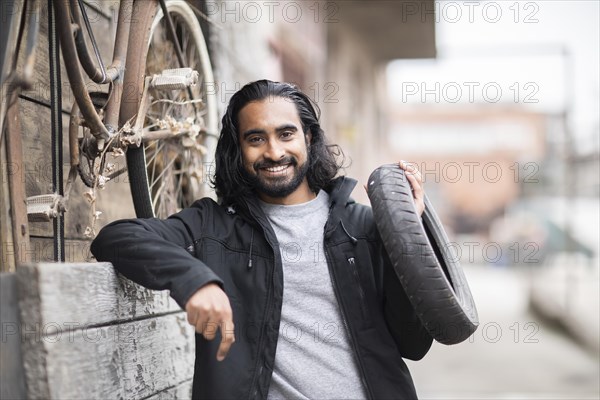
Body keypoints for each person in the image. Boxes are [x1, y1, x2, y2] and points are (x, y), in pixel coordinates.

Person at [91, 80, 433, 399]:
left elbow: (414, 344)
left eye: (286, 134)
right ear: (238, 149)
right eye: (256, 139)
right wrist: (196, 281)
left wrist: (408, 234)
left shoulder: (363, 226)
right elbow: (118, 237)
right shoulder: (213, 226)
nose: (273, 152)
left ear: (309, 138)